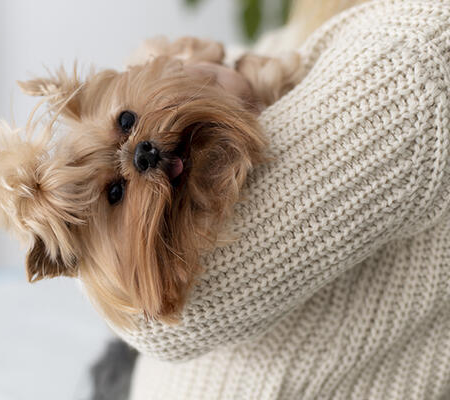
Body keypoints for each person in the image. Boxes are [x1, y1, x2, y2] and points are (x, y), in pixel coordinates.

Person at [111, 1, 450, 399]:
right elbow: (257, 59)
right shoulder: (344, 16)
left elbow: (156, 316)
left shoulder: (416, 65)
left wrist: (71, 213)